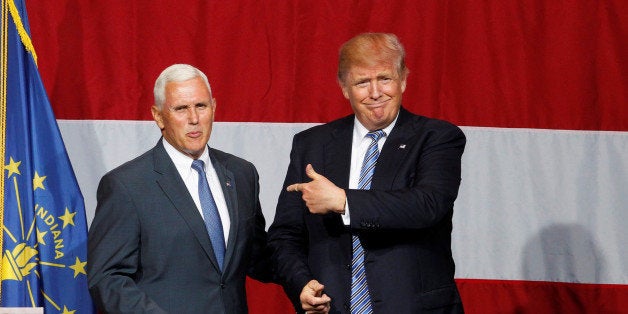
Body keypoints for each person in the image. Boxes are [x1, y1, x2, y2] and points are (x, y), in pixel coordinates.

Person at [268, 33, 466, 313]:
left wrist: (343, 202)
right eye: (362, 82)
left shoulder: (437, 137)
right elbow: (285, 235)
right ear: (344, 87)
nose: (375, 93)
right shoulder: (312, 144)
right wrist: (301, 284)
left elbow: (427, 205)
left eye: (384, 78)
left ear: (403, 79)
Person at [88, 64, 271, 313]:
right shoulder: (126, 185)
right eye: (181, 108)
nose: (194, 119)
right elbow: (107, 279)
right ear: (158, 116)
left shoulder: (241, 174)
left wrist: (305, 277)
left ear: (214, 108)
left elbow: (257, 255)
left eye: (201, 106)